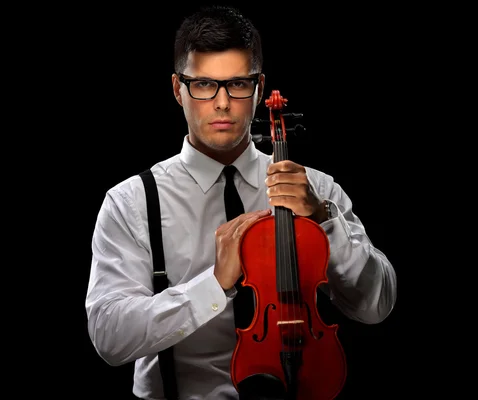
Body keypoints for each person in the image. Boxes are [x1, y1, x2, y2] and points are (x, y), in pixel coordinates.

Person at [85, 5, 397, 400]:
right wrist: (213, 284)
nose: (221, 103)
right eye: (203, 84)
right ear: (178, 89)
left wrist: (324, 222)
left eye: (237, 84)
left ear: (260, 88)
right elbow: (110, 337)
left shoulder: (314, 188)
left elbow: (377, 305)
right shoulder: (129, 202)